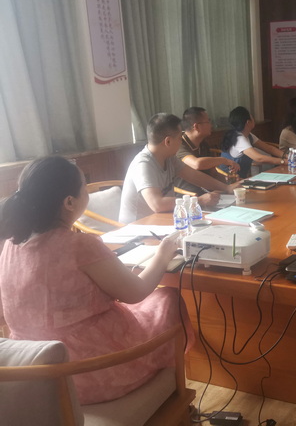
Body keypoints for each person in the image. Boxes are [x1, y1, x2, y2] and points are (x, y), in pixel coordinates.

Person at [0, 156, 194, 405]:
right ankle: (174, 400)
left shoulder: (10, 244)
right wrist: (164, 252)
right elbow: (136, 292)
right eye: (84, 187)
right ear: (69, 202)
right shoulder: (78, 245)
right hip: (94, 371)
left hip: (35, 371)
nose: (87, 193)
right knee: (167, 299)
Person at [119, 113, 238, 224]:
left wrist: (226, 188)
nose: (181, 142)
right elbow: (157, 204)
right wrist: (198, 201)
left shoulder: (169, 158)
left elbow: (194, 176)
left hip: (162, 219)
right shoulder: (143, 164)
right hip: (138, 228)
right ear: (168, 141)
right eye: (180, 138)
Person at [175, 107, 240, 194]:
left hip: (208, 191)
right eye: (208, 121)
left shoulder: (203, 144)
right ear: (196, 126)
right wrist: (224, 160)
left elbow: (213, 173)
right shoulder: (179, 144)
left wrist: (229, 181)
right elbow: (197, 164)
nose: (211, 125)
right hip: (189, 195)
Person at [221, 106, 287, 179]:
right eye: (252, 117)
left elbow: (269, 148)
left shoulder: (248, 135)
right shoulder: (239, 139)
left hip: (240, 177)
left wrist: (287, 156)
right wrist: (283, 161)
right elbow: (259, 158)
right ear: (248, 122)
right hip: (230, 179)